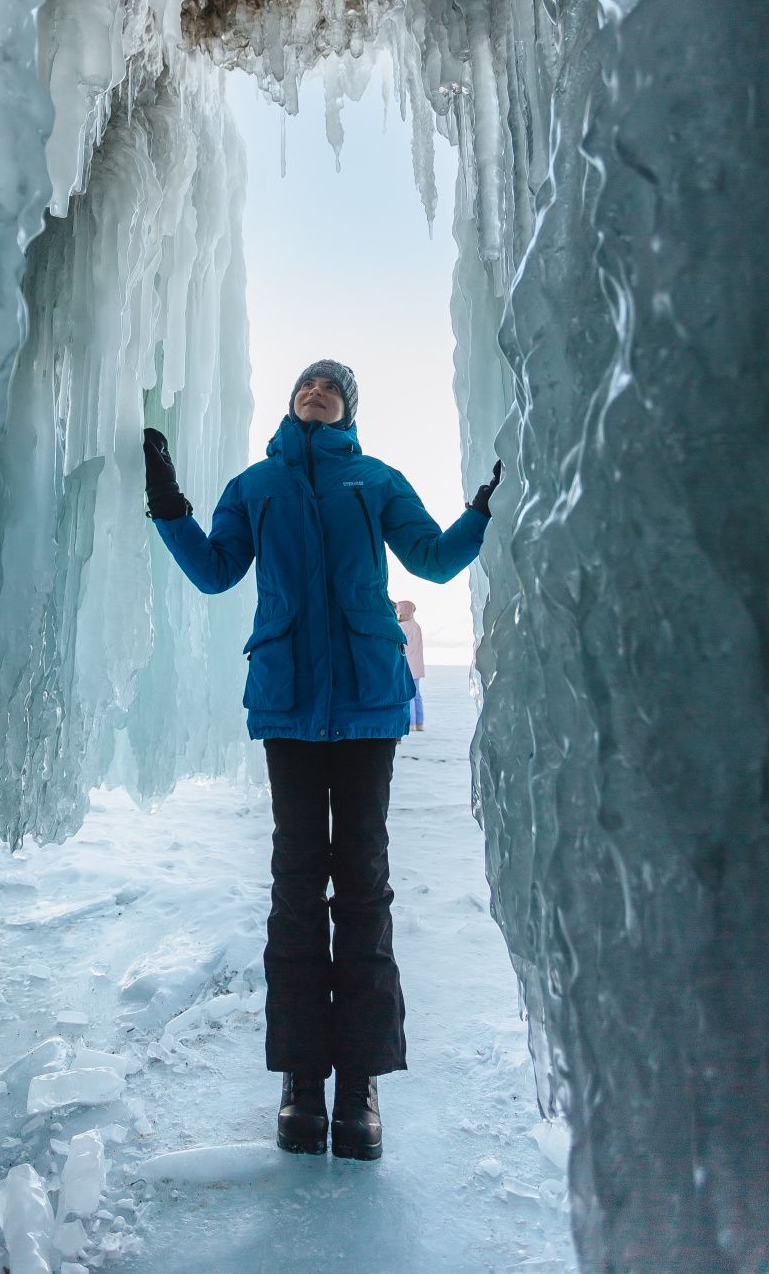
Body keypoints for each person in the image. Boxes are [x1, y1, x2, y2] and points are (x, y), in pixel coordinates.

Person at [142, 359, 500, 1162]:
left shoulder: (374, 479)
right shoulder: (252, 485)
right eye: (308, 382)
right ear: (293, 399)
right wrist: (168, 505)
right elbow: (214, 572)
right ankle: (302, 1080)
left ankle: (360, 1082)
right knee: (296, 885)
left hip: (369, 704)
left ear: (347, 410)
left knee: (363, 883)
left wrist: (479, 510)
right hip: (288, 705)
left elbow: (434, 561)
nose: (317, 390)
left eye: (332, 387)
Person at [395, 600, 426, 730]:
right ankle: (419, 723)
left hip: (407, 666)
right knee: (416, 694)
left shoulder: (401, 627)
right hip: (417, 665)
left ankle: (410, 723)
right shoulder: (416, 625)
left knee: (408, 695)